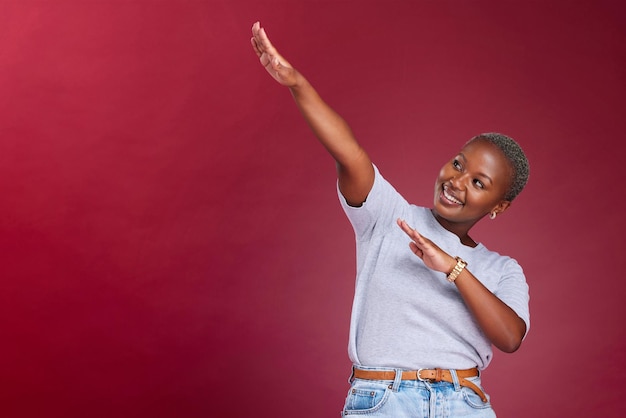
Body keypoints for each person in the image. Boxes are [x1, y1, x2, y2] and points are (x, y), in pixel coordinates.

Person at [251, 21, 530, 418]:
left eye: (478, 182)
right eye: (457, 164)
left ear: (498, 206)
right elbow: (351, 155)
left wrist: (451, 267)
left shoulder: (503, 271)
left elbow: (509, 337)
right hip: (385, 401)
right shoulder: (389, 216)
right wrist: (298, 84)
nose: (456, 181)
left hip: (464, 403)